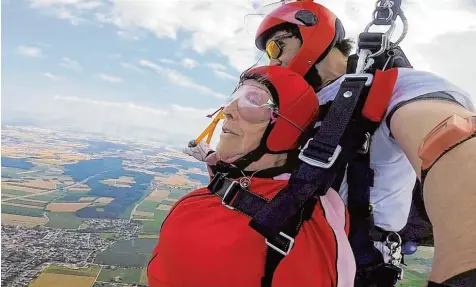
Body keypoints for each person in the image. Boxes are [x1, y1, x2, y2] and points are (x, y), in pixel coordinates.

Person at [185, 1, 476, 286]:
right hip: (288, 247)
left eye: (275, 47)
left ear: (311, 32)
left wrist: (463, 271)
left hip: (351, 264)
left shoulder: (393, 85)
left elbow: (451, 143)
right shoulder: (299, 105)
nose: (272, 61)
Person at [148, 65, 357, 287]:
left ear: (285, 126)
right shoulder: (221, 194)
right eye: (234, 97)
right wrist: (215, 163)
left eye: (253, 100)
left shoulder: (309, 220)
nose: (228, 109)